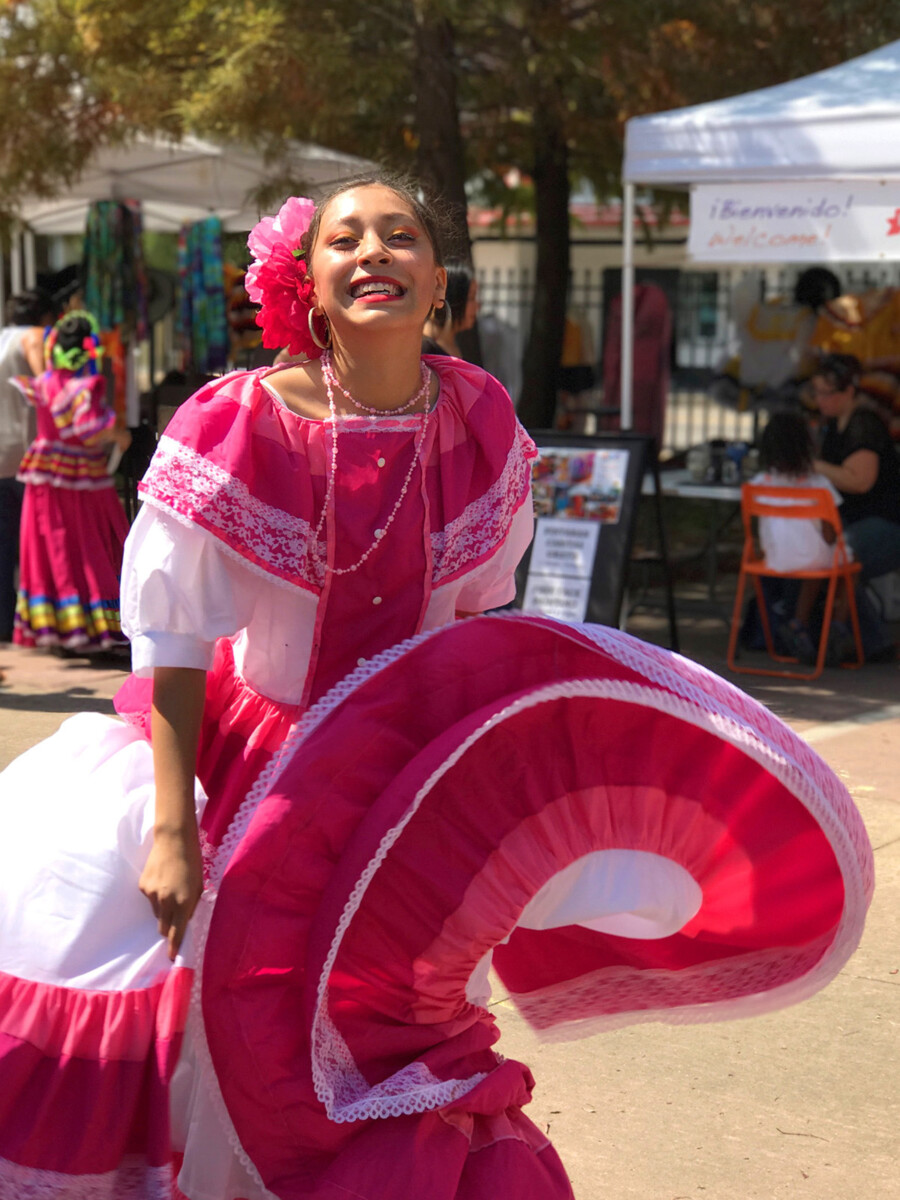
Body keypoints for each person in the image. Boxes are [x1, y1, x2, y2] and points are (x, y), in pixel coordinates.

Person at [0, 176, 874, 1200]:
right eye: (345, 241)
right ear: (306, 288)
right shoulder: (235, 421)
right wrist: (171, 824)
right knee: (242, 1026)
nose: (375, 253)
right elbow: (175, 640)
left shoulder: (478, 417)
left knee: (398, 1028)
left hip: (404, 790)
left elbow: (471, 635)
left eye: (401, 235)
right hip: (261, 780)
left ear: (438, 281)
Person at [11, 311, 132, 650]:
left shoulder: (44, 382)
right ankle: (97, 626)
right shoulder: (86, 387)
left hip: (44, 474)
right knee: (89, 544)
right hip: (83, 478)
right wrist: (119, 436)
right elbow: (88, 431)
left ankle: (58, 627)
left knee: (51, 546)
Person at [812, 352, 900, 660]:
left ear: (848, 392)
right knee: (822, 554)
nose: (820, 399)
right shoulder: (833, 425)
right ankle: (870, 642)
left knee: (841, 557)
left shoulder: (864, 425)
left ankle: (849, 637)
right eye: (817, 392)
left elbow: (860, 481)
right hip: (855, 520)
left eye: (827, 393)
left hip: (886, 523)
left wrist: (817, 466)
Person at [751, 411, 846, 664]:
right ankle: (836, 625)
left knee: (811, 559)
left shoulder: (759, 482)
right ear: (808, 446)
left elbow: (753, 529)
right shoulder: (819, 484)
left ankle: (798, 626)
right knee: (845, 564)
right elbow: (829, 534)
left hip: (771, 560)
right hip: (813, 558)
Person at [0, 290, 56, 641]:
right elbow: (51, 385)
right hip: (26, 456)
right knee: (37, 546)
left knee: (4, 547)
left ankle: (6, 625)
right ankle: (40, 627)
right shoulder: (34, 337)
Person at [422, 257, 478, 356]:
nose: (477, 305)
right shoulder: (424, 349)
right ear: (454, 297)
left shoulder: (451, 343)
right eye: (471, 297)